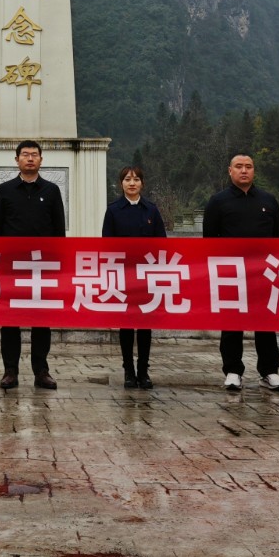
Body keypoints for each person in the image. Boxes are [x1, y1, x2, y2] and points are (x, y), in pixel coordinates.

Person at [202, 152, 279, 393]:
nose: (244, 170)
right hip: (231, 273)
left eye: (248, 166)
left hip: (263, 272)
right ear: (230, 171)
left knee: (265, 321)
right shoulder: (218, 202)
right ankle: (233, 371)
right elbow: (209, 240)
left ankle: (269, 371)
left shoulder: (268, 200)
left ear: (254, 171)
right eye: (238, 166)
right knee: (232, 322)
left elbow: (276, 236)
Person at [0, 139, 67, 390]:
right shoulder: (5, 190)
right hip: (11, 266)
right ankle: (10, 371)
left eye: (34, 154)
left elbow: (59, 230)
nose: (30, 158)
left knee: (41, 319)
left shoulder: (52, 190)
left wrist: (57, 262)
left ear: (41, 160)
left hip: (42, 267)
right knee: (10, 319)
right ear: (17, 160)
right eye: (25, 154)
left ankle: (41, 371)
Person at [101, 165, 166, 389]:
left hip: (147, 275)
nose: (132, 183)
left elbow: (161, 242)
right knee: (126, 325)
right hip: (124, 275)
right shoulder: (113, 210)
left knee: (145, 325)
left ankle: (143, 370)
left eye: (136, 179)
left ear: (142, 183)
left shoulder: (151, 210)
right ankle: (128, 370)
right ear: (121, 184)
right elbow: (107, 243)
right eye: (127, 179)